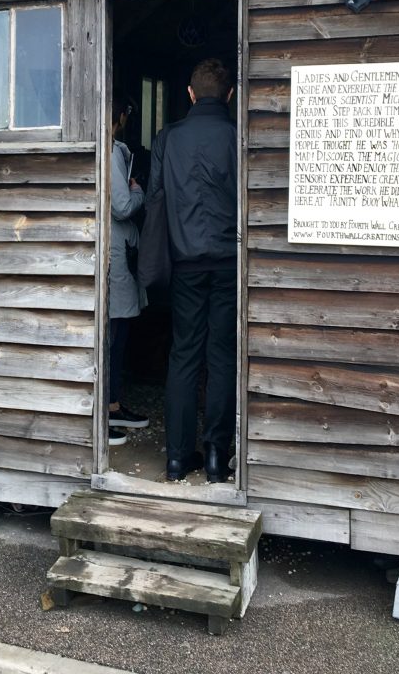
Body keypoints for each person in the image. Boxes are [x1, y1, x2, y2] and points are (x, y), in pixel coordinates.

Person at [148, 58, 237, 483]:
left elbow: (155, 200)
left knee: (183, 355)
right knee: (221, 357)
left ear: (189, 94)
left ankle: (177, 459)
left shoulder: (168, 138)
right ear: (230, 95)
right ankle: (218, 458)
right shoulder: (238, 137)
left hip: (184, 262)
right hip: (228, 263)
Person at [108, 99, 149, 446]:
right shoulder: (110, 153)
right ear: (119, 117)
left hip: (107, 251)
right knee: (113, 333)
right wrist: (139, 192)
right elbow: (121, 207)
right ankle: (108, 409)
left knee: (113, 331)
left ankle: (112, 404)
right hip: (114, 253)